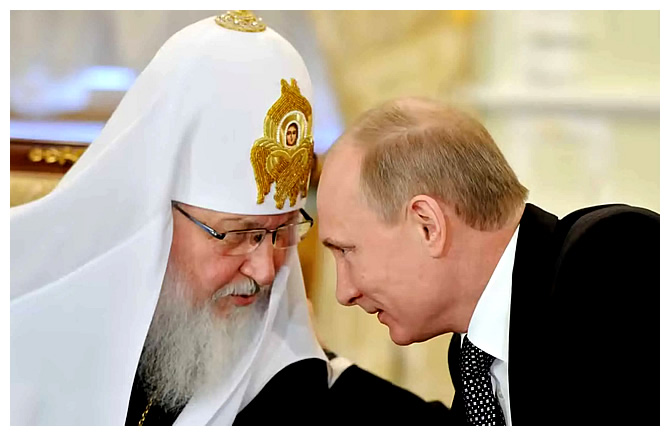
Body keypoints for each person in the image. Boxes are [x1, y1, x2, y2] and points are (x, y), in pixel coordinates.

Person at [10, 13, 451, 426]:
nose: (265, 272)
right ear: (155, 217)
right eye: (240, 235)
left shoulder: (298, 387)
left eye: (282, 232)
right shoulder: (24, 340)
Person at [316, 97, 660, 426]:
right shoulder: (473, 354)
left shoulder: (612, 256)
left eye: (346, 251)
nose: (344, 292)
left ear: (427, 225)